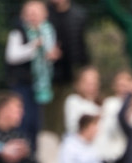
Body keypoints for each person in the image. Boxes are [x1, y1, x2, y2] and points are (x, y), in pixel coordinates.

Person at [5, 0, 60, 151]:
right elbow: (12, 56)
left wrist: (52, 56)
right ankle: (19, 156)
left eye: (36, 13)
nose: (33, 17)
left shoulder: (48, 32)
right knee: (22, 120)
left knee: (35, 122)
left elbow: (49, 55)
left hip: (38, 85)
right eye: (30, 13)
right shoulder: (18, 32)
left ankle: (32, 155)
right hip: (21, 84)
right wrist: (33, 47)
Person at [45, 0, 90, 135]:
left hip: (72, 71)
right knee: (50, 115)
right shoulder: (44, 13)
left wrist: (85, 69)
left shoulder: (79, 15)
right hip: (49, 73)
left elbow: (83, 45)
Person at [63, 65, 102, 137]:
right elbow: (73, 126)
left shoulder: (100, 105)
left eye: (94, 83)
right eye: (88, 83)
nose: (91, 87)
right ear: (78, 84)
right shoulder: (73, 100)